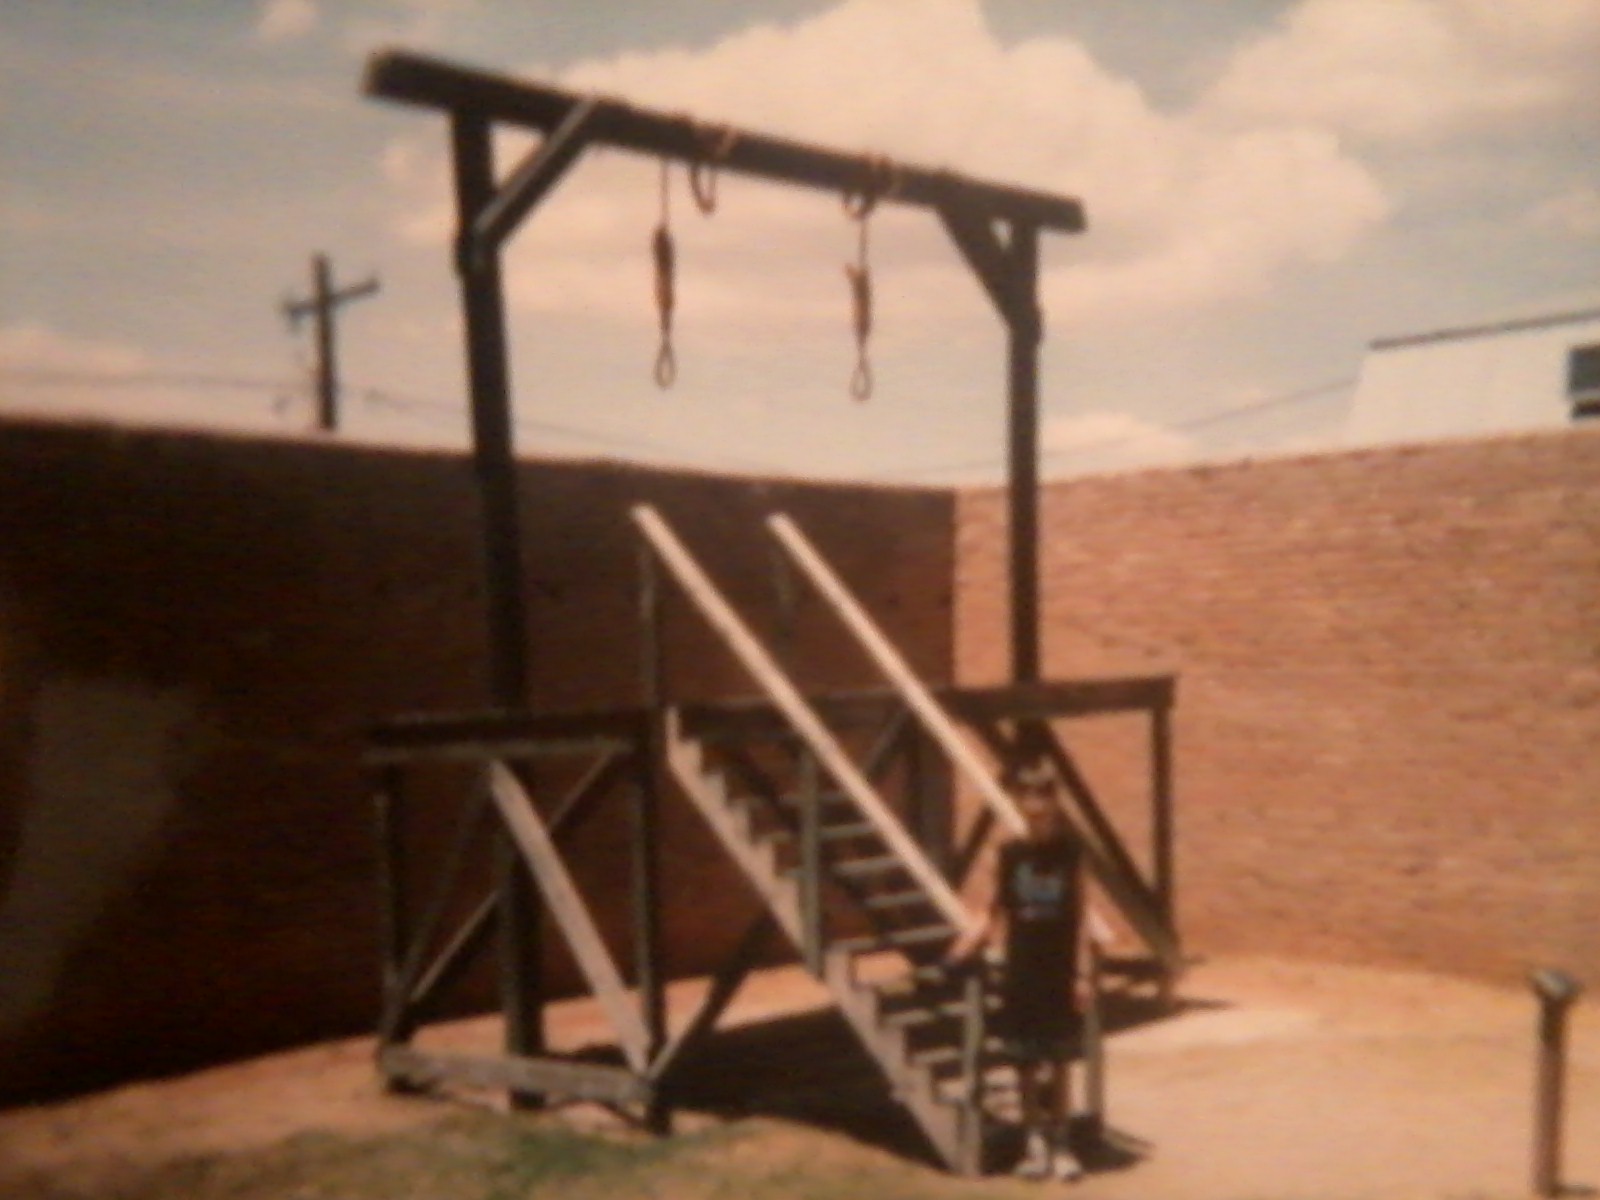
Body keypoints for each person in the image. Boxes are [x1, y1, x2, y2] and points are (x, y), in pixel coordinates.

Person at [947, 762, 1087, 1182]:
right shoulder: (1008, 854)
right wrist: (960, 950)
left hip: (1059, 967)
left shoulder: (1071, 852)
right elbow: (991, 912)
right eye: (1029, 801)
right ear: (1020, 806)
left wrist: (1082, 974)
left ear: (1054, 801)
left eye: (1044, 799)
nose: (1037, 808)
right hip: (1022, 966)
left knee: (1059, 1061)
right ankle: (1034, 1145)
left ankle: (1062, 1144)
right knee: (1025, 1063)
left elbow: (1080, 912)